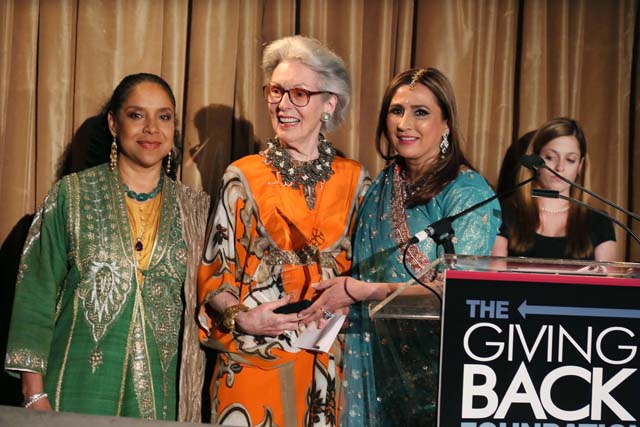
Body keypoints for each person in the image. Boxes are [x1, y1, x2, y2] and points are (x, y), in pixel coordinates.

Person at [300, 67, 502, 426]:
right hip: (374, 352)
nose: (404, 124)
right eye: (397, 110)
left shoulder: (468, 194)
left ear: (446, 125)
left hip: (437, 366)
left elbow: (459, 291)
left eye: (420, 112)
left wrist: (363, 291)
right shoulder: (383, 183)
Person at [4, 73, 210, 422]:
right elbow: (35, 295)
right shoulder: (72, 196)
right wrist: (33, 395)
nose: (151, 129)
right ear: (114, 124)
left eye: (164, 116)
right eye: (136, 115)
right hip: (74, 391)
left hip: (162, 400)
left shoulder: (197, 210)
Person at [197, 36, 370, 426]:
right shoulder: (242, 178)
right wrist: (242, 317)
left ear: (330, 103)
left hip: (329, 369)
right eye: (276, 91)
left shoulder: (356, 181)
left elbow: (372, 276)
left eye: (299, 93)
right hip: (251, 366)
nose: (283, 104)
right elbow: (214, 281)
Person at [491, 117, 616, 261]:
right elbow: (495, 275)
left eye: (570, 160)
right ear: (534, 160)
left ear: (580, 166)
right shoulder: (504, 212)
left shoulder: (599, 222)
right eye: (550, 157)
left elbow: (608, 280)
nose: (560, 167)